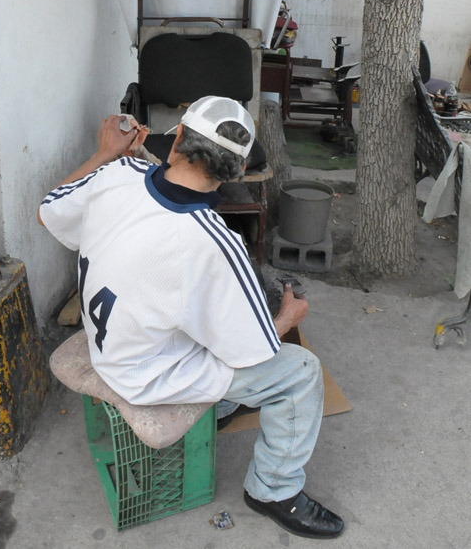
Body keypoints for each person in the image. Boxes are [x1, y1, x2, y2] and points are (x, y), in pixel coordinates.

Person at [38, 96, 344, 540]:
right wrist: (288, 316)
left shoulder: (118, 173)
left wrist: (106, 152)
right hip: (143, 375)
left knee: (196, 312)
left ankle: (216, 406)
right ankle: (274, 490)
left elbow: (49, 212)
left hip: (108, 339)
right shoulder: (214, 243)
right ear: (237, 173)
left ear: (177, 137)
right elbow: (253, 346)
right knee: (300, 372)